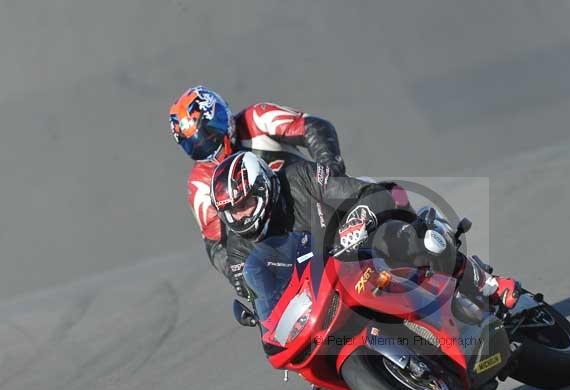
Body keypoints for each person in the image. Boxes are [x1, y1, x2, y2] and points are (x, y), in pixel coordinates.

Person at [210, 152, 521, 342]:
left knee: (410, 240)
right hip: (323, 290)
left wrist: (359, 217)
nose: (241, 215)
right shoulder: (238, 247)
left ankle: (487, 285)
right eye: (232, 211)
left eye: (246, 203)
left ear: (264, 187)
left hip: (361, 244)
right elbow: (261, 294)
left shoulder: (299, 178)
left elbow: (367, 192)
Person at [169, 85, 346, 297]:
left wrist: (329, 167)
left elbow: (313, 127)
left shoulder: (257, 119)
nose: (204, 144)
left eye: (208, 133)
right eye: (193, 144)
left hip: (320, 205)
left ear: (221, 117)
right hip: (283, 250)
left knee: (376, 218)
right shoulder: (200, 183)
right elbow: (217, 243)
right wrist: (237, 275)